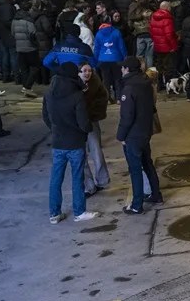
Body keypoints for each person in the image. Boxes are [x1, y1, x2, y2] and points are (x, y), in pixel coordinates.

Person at [42, 62, 99, 224]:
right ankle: (79, 212)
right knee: (77, 178)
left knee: (55, 179)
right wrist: (86, 129)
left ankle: (54, 213)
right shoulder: (77, 95)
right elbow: (83, 122)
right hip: (75, 142)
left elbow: (46, 117)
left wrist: (55, 130)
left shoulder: (49, 93)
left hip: (57, 142)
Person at [117, 56, 164, 213]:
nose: (121, 70)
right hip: (145, 131)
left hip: (133, 135)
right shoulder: (146, 84)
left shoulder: (129, 88)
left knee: (135, 169)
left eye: (123, 68)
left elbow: (127, 115)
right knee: (147, 164)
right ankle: (156, 194)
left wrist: (121, 135)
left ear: (127, 69)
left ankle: (137, 205)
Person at [79, 62, 110, 196]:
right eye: (84, 71)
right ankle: (88, 186)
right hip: (77, 125)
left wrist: (92, 111)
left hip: (91, 121)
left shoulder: (95, 82)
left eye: (89, 71)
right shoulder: (73, 84)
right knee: (80, 156)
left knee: (96, 151)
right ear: (78, 72)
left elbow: (103, 97)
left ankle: (102, 180)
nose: (87, 73)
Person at [93, 16, 128, 102]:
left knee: (106, 80)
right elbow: (121, 47)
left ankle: (107, 99)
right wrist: (125, 57)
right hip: (116, 59)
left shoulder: (98, 34)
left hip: (103, 59)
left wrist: (95, 60)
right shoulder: (116, 32)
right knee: (118, 79)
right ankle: (119, 98)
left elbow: (96, 49)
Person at [149, 1, 178, 91]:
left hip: (158, 46)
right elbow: (169, 35)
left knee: (159, 67)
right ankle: (169, 86)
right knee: (168, 67)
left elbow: (151, 31)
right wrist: (173, 46)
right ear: (167, 8)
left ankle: (159, 85)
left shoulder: (153, 17)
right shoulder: (167, 18)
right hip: (167, 47)